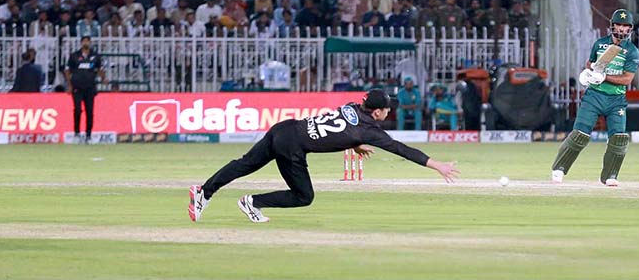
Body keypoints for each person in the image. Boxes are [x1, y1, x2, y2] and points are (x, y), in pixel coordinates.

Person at [188, 90, 460, 223]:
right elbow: (401, 149)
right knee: (304, 196)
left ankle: (204, 192)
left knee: (244, 165)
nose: (389, 113)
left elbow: (340, 126)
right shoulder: (369, 130)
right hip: (293, 148)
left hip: (285, 128)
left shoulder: (353, 106)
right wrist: (437, 165)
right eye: (387, 110)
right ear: (376, 112)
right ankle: (252, 202)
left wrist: (354, 145)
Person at [551, 9, 639, 187]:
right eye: (619, 25)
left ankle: (610, 175)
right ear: (612, 25)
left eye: (626, 26)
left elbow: (627, 79)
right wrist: (589, 73)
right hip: (594, 96)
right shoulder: (600, 44)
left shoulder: (632, 51)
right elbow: (590, 63)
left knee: (619, 138)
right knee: (580, 135)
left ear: (630, 28)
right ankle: (559, 168)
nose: (622, 29)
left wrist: (604, 77)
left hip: (616, 100)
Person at [64, 35, 106, 144]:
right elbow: (68, 71)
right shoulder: (74, 56)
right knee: (77, 110)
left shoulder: (95, 56)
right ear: (81, 43)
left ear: (90, 43)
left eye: (88, 41)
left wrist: (103, 78)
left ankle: (88, 135)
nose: (86, 43)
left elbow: (100, 68)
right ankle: (77, 134)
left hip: (90, 87)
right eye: (84, 41)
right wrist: (69, 85)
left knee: (90, 111)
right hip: (77, 87)